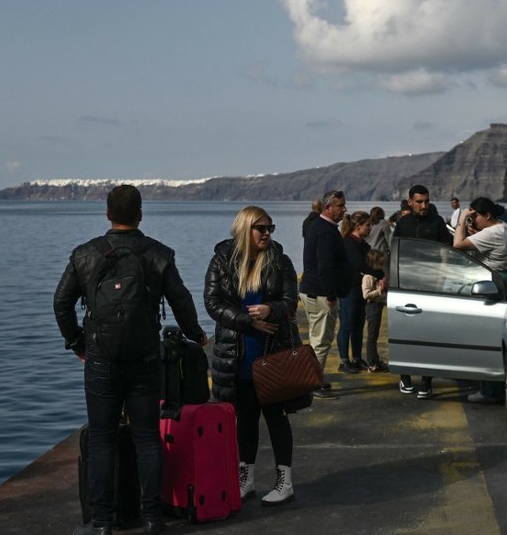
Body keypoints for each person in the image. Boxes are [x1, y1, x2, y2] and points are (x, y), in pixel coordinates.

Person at [53, 185, 206, 535]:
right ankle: (153, 519)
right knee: (147, 439)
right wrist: (196, 335)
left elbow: (61, 303)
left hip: (100, 358)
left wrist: (77, 343)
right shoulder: (158, 254)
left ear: (107, 214)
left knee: (103, 440)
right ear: (140, 214)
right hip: (145, 357)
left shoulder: (85, 254)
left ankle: (102, 523)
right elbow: (181, 300)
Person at [204, 206, 299, 506]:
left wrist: (271, 309)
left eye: (270, 226)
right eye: (261, 227)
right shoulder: (223, 260)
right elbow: (212, 302)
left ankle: (285, 481)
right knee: (245, 419)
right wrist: (247, 321)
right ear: (245, 229)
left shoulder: (279, 261)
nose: (267, 232)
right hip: (238, 354)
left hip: (272, 352)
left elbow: (290, 302)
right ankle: (246, 478)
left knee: (276, 417)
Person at [452, 197, 507, 404]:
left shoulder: (492, 233)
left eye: (475, 216)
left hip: (492, 286)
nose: (473, 221)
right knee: (495, 338)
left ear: (487, 215)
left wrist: (462, 218)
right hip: (502, 282)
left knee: (485, 338)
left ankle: (488, 390)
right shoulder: (502, 227)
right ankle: (492, 386)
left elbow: (458, 244)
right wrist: (476, 233)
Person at [393, 184, 452, 399]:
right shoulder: (402, 223)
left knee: (429, 333)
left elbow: (446, 252)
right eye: (419, 202)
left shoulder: (436, 223)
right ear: (410, 202)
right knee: (404, 331)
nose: (424, 205)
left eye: (426, 201)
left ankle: (427, 381)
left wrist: (441, 277)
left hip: (431, 285)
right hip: (406, 285)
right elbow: (395, 254)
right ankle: (405, 376)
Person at [299, 190, 351, 399]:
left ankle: (312, 379)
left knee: (316, 339)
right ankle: (313, 384)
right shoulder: (326, 232)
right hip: (321, 294)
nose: (344, 210)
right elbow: (325, 267)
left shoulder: (320, 227)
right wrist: (331, 295)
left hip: (314, 291)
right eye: (340, 206)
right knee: (320, 340)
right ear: (328, 208)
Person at [337, 211, 381, 373]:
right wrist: (378, 273)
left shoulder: (362, 244)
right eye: (368, 225)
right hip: (349, 289)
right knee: (347, 325)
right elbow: (358, 265)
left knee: (358, 325)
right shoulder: (349, 243)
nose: (371, 228)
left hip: (360, 290)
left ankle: (356, 357)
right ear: (358, 226)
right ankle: (344, 360)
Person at [362, 249, 389, 372]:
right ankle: (372, 362)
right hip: (372, 306)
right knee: (372, 335)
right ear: (374, 264)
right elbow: (366, 295)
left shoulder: (378, 275)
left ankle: (375, 360)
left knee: (375, 334)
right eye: (381, 264)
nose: (382, 267)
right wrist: (380, 291)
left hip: (378, 305)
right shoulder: (368, 277)